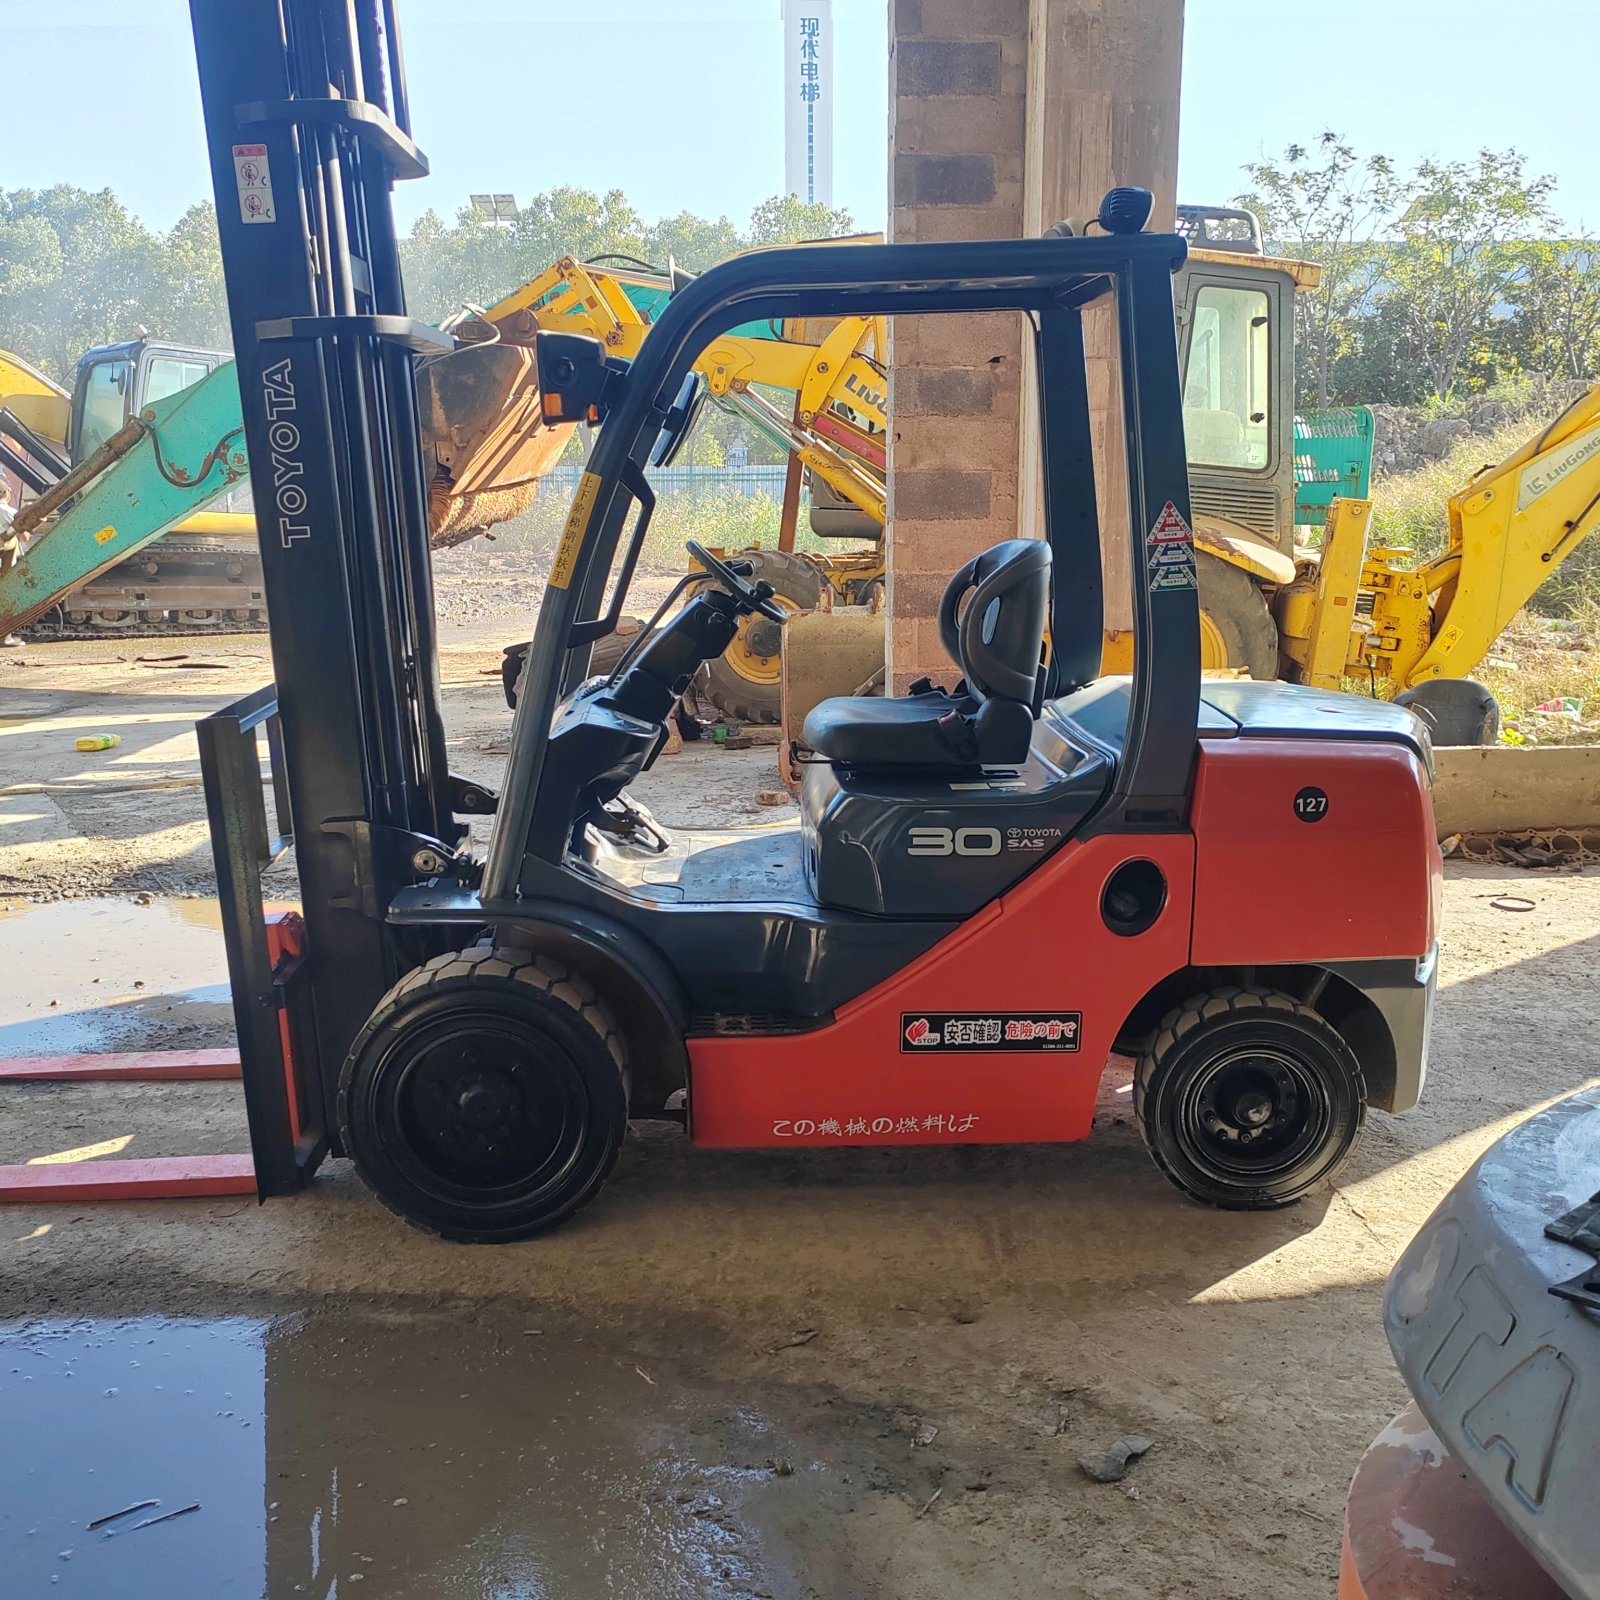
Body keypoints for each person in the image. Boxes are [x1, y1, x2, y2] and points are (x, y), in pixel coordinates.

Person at [0, 480, 19, 646]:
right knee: (5, 595)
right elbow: (25, 536)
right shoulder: (9, 511)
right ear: (6, 494)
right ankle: (5, 637)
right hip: (5, 568)